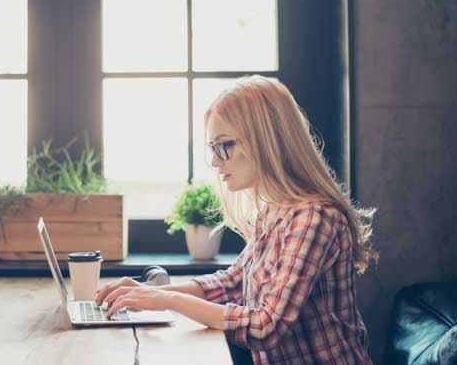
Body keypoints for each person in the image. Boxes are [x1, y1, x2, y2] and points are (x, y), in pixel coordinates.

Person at [95, 75, 376, 364]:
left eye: (224, 145)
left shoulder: (314, 219)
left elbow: (265, 327)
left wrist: (167, 300)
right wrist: (148, 292)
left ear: (265, 142)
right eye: (212, 148)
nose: (215, 162)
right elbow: (232, 282)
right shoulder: (276, 211)